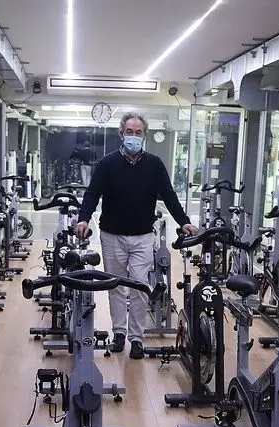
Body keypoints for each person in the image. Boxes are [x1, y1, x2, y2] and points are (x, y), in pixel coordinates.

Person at [76, 112, 199, 359]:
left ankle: (137, 338)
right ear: (122, 134)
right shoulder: (107, 164)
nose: (133, 136)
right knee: (116, 287)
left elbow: (169, 195)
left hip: (143, 236)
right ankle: (119, 333)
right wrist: (83, 218)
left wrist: (184, 221)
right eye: (129, 132)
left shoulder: (154, 165)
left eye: (138, 132)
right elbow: (92, 194)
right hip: (112, 235)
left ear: (145, 135)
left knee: (140, 287)